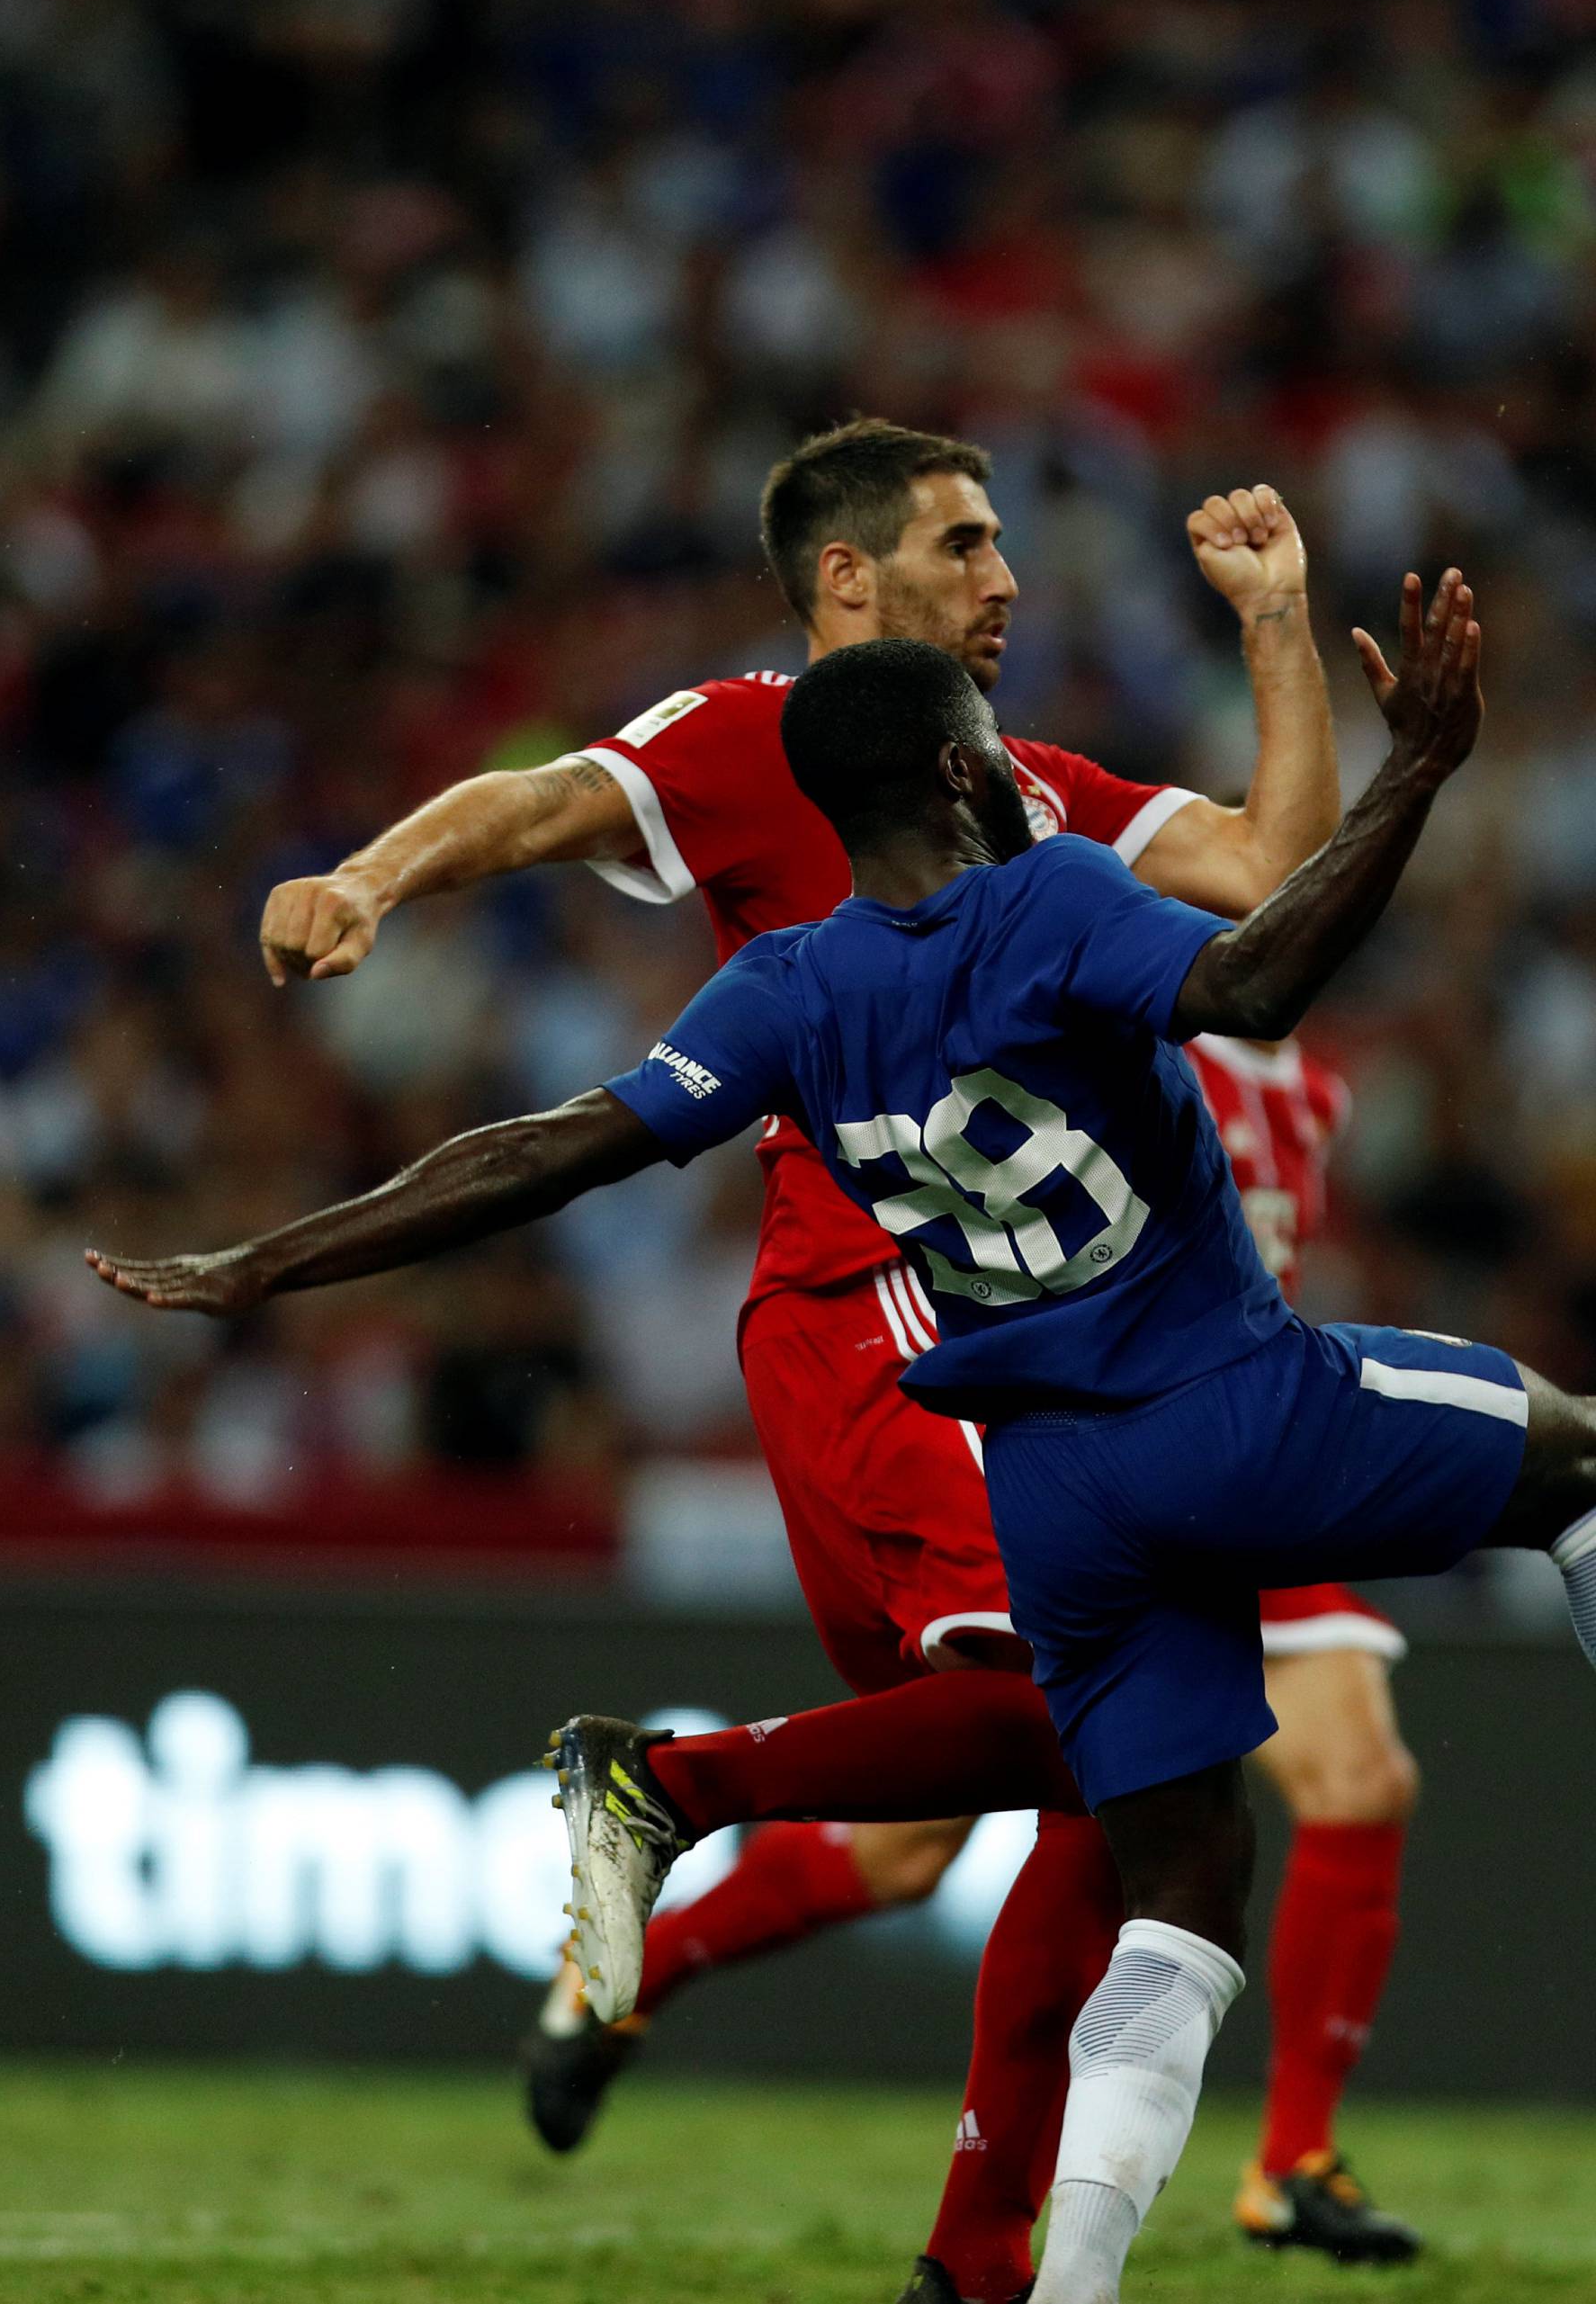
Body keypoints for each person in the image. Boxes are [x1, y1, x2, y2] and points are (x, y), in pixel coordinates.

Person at [88, 586, 1596, 2304]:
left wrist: (272, 1260)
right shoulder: (1050, 895)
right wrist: (1420, 772)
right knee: (1582, 1462)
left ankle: (1052, 2283)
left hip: (1060, 1488)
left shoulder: (783, 988)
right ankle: (701, 1804)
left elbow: (557, 1147)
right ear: (963, 776)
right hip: (1228, 1405)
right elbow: (1256, 977)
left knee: (1172, 1881)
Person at [249, 418, 1356, 2298]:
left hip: (1014, 1341)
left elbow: (1272, 868)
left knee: (1042, 1795)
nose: (1008, 582)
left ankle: (826, 2125)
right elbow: (528, 803)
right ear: (848, 579)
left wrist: (1278, 627)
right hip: (881, 1317)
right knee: (1114, 1749)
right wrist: (363, 879)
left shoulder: (1017, 788)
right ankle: (675, 1811)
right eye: (964, 545)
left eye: (1005, 547)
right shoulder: (744, 735)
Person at [1184, 1033, 1419, 2259]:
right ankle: (641, 1976)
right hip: (1129, 1455)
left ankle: (1289, 2163)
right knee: (911, 1850)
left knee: (1363, 1779)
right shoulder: (1136, 1021)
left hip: (1240, 1466)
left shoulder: (1316, 1086)